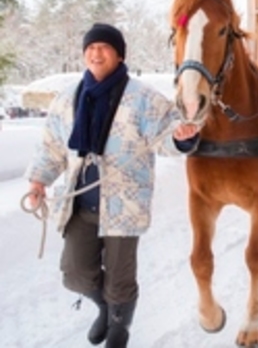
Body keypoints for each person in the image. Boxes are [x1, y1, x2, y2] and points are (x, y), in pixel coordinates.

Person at [26, 23, 199, 348]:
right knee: (75, 274)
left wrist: (182, 138)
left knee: (120, 280)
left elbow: (167, 135)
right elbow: (51, 147)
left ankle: (120, 324)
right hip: (79, 204)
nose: (96, 53)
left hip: (124, 204)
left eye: (104, 47)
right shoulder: (68, 99)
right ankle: (105, 308)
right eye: (90, 48)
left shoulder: (143, 98)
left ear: (119, 55)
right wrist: (38, 181)